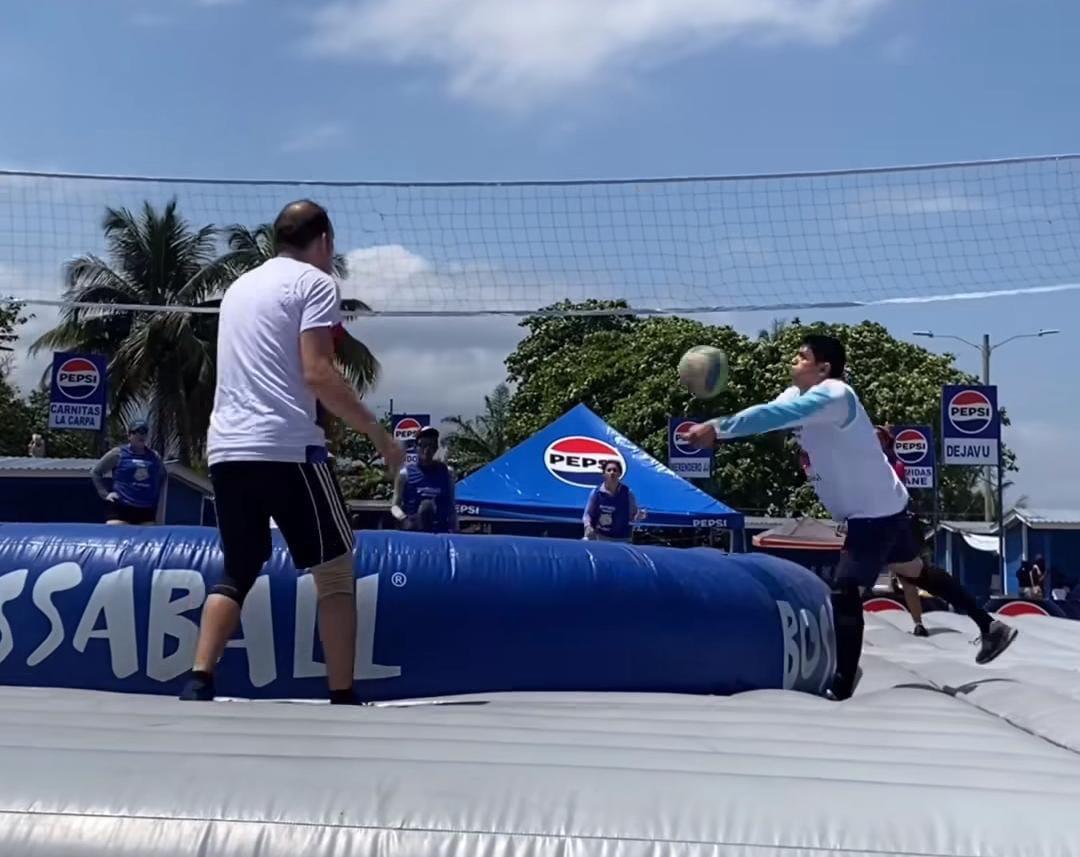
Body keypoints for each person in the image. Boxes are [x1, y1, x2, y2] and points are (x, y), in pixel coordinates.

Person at [685, 334, 1017, 700]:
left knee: (846, 590)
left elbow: (776, 416)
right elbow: (767, 414)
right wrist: (717, 430)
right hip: (888, 504)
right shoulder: (797, 395)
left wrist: (717, 428)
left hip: (872, 514)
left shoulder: (835, 395)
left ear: (823, 368)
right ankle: (991, 627)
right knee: (914, 571)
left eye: (802, 357)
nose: (793, 361)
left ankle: (840, 687)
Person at [179, 200, 403, 705]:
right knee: (335, 569)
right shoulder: (314, 284)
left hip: (227, 448)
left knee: (239, 567)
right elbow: (318, 372)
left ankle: (199, 679)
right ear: (324, 241)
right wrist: (379, 436)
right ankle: (342, 693)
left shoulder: (239, 287)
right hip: (287, 447)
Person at [875, 425, 929, 638]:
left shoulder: (894, 464)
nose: (873, 441)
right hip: (874, 523)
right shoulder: (866, 462)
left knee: (907, 579)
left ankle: (918, 623)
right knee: (859, 576)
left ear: (885, 442)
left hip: (892, 525)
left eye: (878, 438)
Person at [90, 421, 165, 525]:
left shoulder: (154, 456)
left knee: (147, 534)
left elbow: (162, 476)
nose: (141, 435)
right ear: (129, 436)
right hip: (122, 506)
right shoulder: (118, 453)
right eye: (137, 432)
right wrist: (105, 494)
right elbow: (95, 472)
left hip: (145, 508)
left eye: (144, 432)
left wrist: (153, 494)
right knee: (115, 532)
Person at [390, 426, 457, 533]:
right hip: (415, 532)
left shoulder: (447, 472)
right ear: (416, 447)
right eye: (423, 445)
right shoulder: (404, 474)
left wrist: (455, 529)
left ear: (436, 448)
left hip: (440, 533)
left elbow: (452, 506)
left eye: (431, 445)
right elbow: (394, 507)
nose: (427, 450)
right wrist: (404, 519)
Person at [582, 459, 646, 542]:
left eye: (615, 470)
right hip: (600, 536)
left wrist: (639, 515)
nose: (612, 472)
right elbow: (588, 514)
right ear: (604, 474)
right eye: (609, 470)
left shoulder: (627, 493)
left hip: (622, 539)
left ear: (619, 474)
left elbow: (633, 517)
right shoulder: (596, 492)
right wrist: (588, 526)